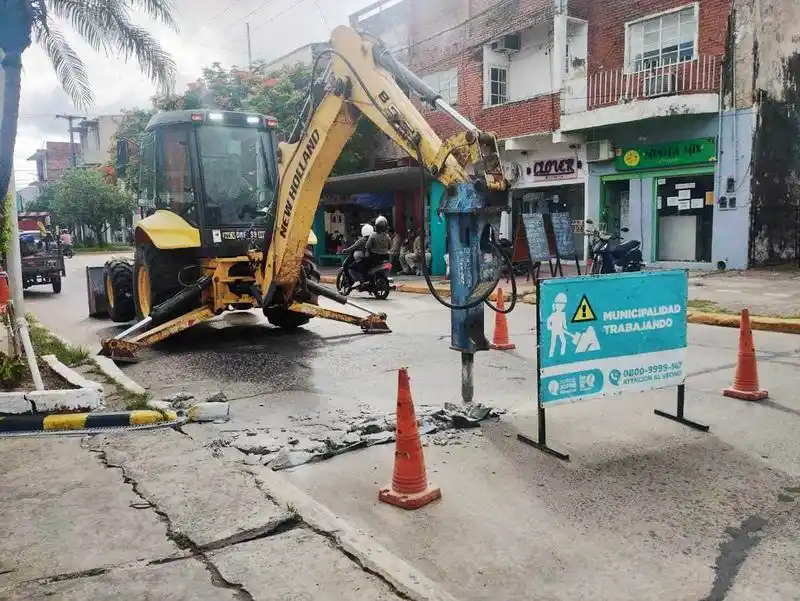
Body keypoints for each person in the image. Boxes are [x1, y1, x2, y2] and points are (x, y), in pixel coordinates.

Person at [341, 223, 373, 288]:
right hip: (363, 256)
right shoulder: (372, 238)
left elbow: (353, 247)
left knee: (351, 267)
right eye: (352, 229)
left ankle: (357, 281)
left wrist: (346, 250)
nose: (353, 231)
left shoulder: (361, 239)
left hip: (358, 256)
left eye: (354, 229)